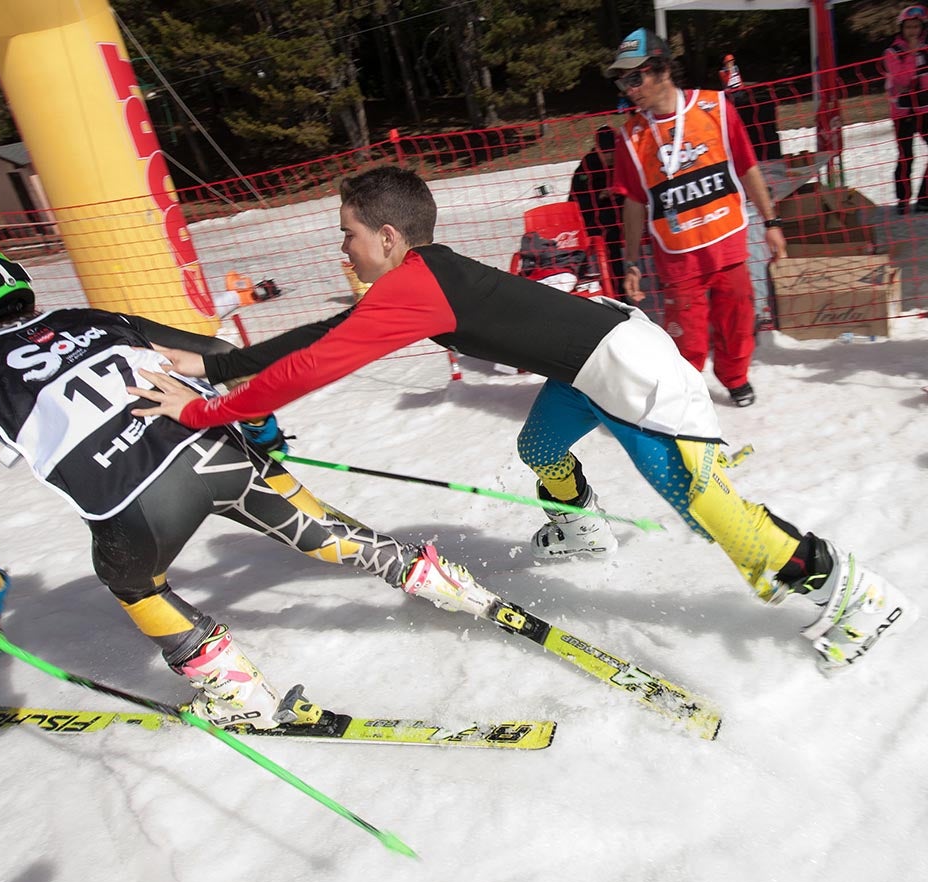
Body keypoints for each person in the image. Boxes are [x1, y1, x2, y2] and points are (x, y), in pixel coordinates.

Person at [128, 165, 913, 673]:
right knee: (540, 445)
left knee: (706, 508)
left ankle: (849, 591)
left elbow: (316, 364)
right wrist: (217, 365)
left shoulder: (412, 285)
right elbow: (325, 337)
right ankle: (581, 525)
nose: (345, 251)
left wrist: (206, 411)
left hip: (629, 368)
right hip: (590, 356)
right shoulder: (416, 280)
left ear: (389, 237)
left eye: (350, 236)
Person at [0, 246, 508, 730]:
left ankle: (236, 690)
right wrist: (262, 428)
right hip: (216, 451)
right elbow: (216, 354)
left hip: (134, 507)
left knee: (133, 583)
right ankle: (440, 581)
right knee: (319, 532)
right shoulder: (95, 317)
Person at [607, 28, 787, 409]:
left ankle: (736, 378)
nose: (628, 88)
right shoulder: (630, 137)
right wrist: (632, 261)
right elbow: (635, 203)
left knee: (737, 321)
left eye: (635, 77)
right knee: (685, 336)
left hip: (728, 243)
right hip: (677, 256)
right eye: (623, 80)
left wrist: (772, 224)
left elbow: (748, 168)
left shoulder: (716, 108)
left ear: (662, 70)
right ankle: (688, 391)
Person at [568, 124, 625, 294]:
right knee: (609, 233)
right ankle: (617, 289)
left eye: (613, 151)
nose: (610, 156)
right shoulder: (587, 165)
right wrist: (600, 195)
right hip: (594, 215)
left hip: (622, 210)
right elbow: (576, 201)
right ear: (597, 149)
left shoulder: (624, 159)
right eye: (606, 152)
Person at [882, 6, 928, 214]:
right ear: (902, 28)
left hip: (925, 108)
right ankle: (903, 199)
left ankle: (924, 197)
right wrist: (911, 52)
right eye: (909, 27)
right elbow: (902, 79)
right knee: (906, 156)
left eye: (917, 26)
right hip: (903, 112)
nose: (913, 31)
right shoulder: (893, 52)